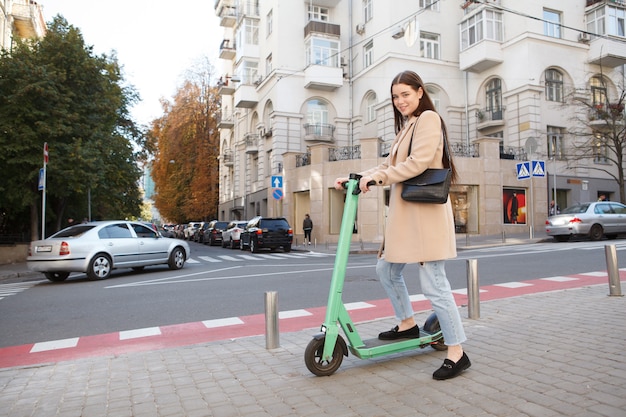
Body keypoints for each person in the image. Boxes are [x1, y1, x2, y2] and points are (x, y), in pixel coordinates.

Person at [334, 70, 470, 380]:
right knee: (386, 268)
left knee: (435, 282)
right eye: (395, 96)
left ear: (420, 92)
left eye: (405, 94)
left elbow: (418, 163)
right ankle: (408, 324)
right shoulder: (408, 125)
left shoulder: (429, 120)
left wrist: (377, 179)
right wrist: (358, 177)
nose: (400, 101)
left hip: (426, 217)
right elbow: (389, 165)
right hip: (408, 216)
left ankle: (457, 352)